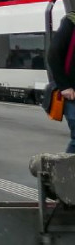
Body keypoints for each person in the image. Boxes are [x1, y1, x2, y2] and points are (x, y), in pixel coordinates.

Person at [47, 8, 75, 156]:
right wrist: (65, 86)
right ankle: (66, 174)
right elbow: (53, 54)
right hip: (72, 93)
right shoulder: (71, 22)